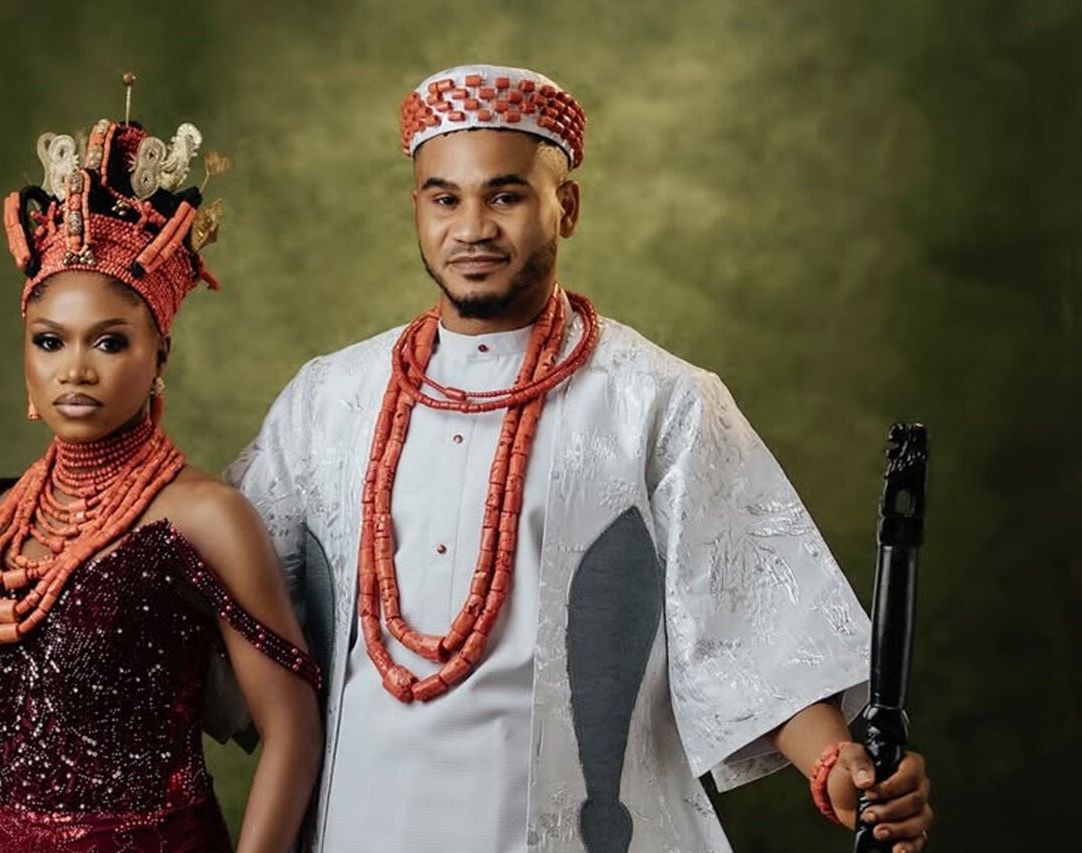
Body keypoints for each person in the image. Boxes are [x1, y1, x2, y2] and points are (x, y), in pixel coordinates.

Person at [229, 64, 935, 853]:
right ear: (416, 207)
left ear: (565, 206)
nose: (472, 228)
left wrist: (837, 764)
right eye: (444, 197)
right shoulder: (327, 400)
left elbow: (753, 619)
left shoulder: (660, 402)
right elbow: (222, 598)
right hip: (360, 824)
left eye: (505, 195)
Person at [0, 86, 322, 853]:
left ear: (157, 352)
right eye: (49, 340)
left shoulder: (202, 517)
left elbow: (292, 728)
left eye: (108, 342)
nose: (76, 369)